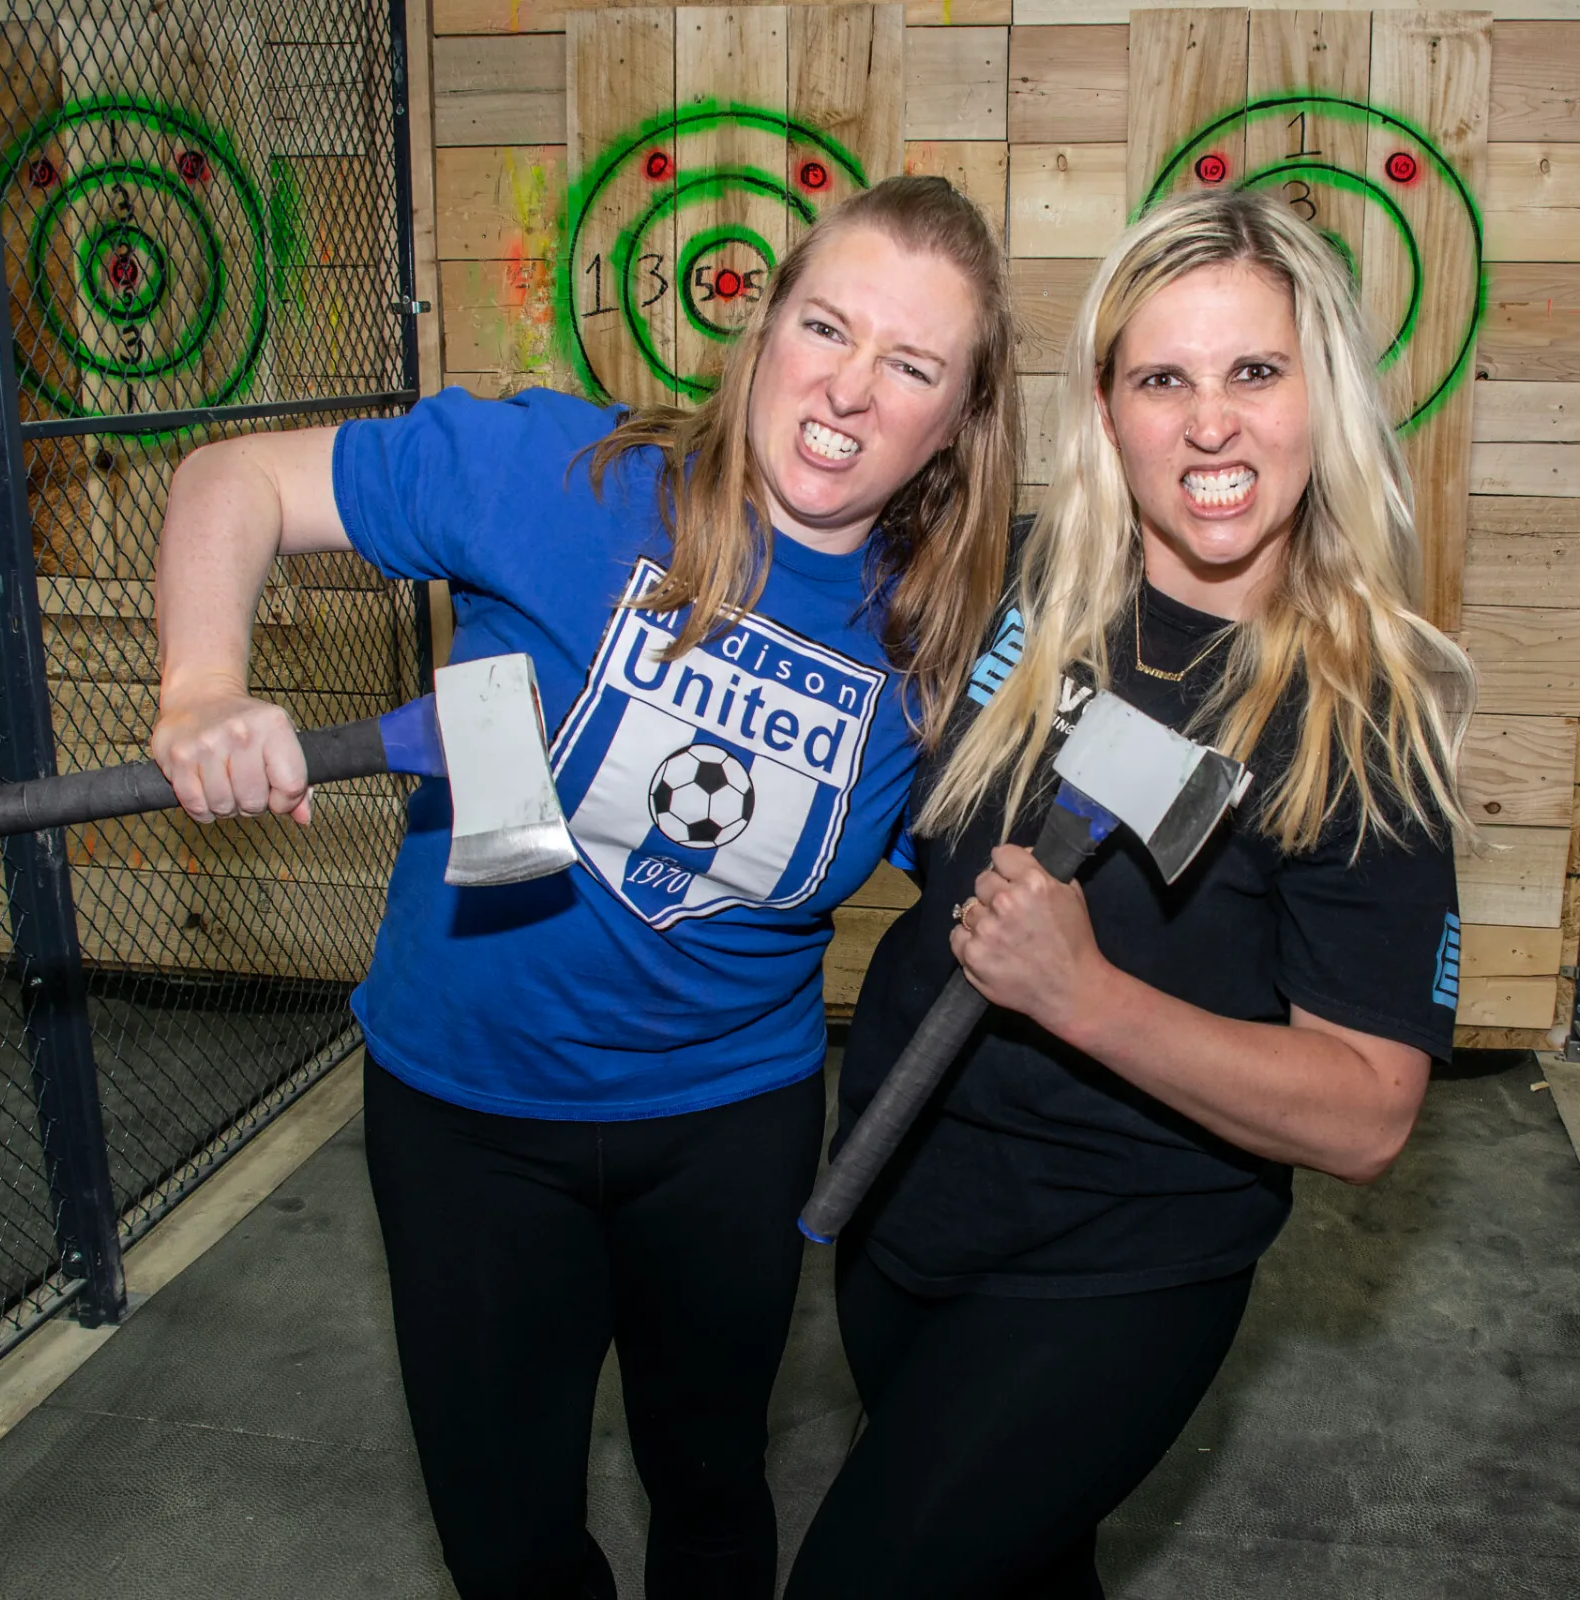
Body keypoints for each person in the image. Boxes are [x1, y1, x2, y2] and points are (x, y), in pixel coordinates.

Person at [145, 176, 1017, 1600]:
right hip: (470, 1115)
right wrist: (202, 691)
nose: (849, 389)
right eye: (824, 326)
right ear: (763, 325)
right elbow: (228, 481)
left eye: (911, 365)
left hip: (727, 1126)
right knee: (510, 1539)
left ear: (956, 421)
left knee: (713, 1490)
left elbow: (1002, 857)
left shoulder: (945, 636)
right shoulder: (564, 476)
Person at [785, 187, 1476, 1599]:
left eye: (1254, 373)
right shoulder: (1024, 583)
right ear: (1109, 410)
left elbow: (1367, 1113)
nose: (1209, 423)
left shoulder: (1363, 718)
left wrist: (1089, 1000)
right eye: (1164, 378)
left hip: (1117, 1257)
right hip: (904, 1191)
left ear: (1321, 398)